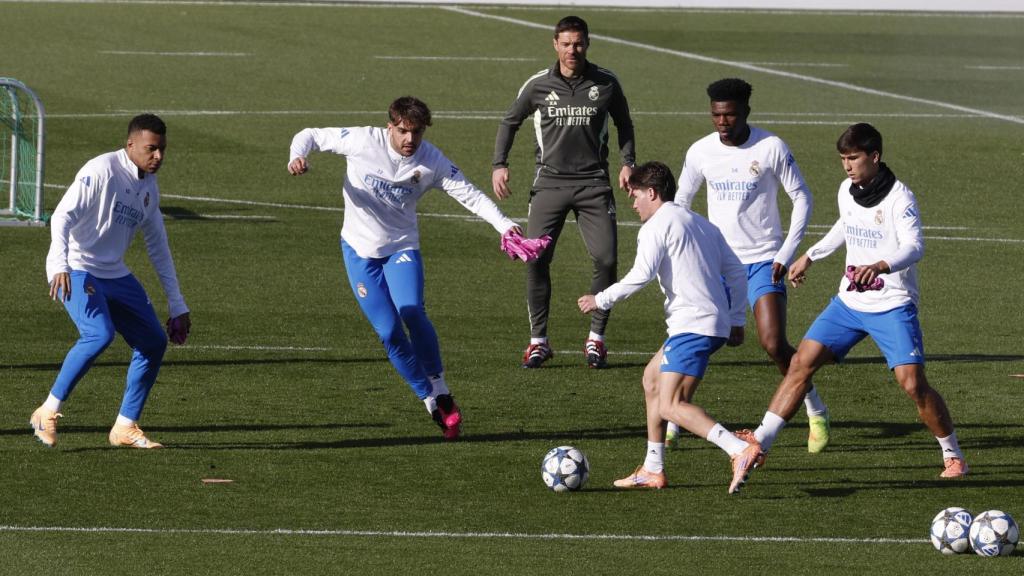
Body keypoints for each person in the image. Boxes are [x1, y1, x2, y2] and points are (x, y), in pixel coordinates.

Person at [288, 96, 529, 440]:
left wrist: (505, 225)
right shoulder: (361, 141)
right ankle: (429, 399)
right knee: (388, 331)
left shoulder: (431, 161)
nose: (409, 140)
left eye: (416, 132)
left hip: (401, 248)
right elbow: (309, 134)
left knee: (413, 311)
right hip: (359, 251)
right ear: (390, 126)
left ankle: (441, 388)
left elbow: (471, 195)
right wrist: (297, 156)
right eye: (402, 131)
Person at [740, 123, 968, 483]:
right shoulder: (847, 190)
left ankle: (953, 454)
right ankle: (760, 441)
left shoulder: (900, 198)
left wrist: (879, 265)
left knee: (912, 384)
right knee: (802, 362)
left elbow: (914, 246)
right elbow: (844, 226)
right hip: (849, 303)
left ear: (874, 157)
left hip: (892, 303)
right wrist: (810, 256)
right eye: (843, 159)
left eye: (853, 158)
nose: (846, 166)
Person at [577, 161, 762, 494]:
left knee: (670, 404)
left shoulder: (656, 226)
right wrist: (736, 319)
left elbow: (641, 275)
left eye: (635, 194)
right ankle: (653, 468)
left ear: (652, 192)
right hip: (711, 324)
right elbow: (736, 271)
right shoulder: (703, 224)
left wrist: (600, 299)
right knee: (651, 380)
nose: (632, 202)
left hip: (691, 324)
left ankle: (738, 448)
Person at [667, 78, 831, 453]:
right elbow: (681, 202)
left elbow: (802, 198)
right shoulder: (700, 152)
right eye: (716, 115)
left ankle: (815, 408)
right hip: (719, 263)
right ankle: (677, 412)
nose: (722, 122)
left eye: (730, 115)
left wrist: (784, 254)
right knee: (698, 341)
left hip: (763, 261)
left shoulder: (771, 147)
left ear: (745, 113)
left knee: (773, 343)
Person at [32, 113, 191, 449]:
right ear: (130, 144)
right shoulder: (102, 170)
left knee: (152, 342)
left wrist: (177, 304)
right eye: (151, 149)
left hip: (113, 272)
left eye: (162, 149)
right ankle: (46, 412)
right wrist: (59, 263)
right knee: (98, 334)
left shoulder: (149, 186)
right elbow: (61, 216)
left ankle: (124, 427)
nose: (158, 156)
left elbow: (159, 248)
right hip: (75, 266)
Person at [493, 15, 636, 369]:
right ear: (555, 44)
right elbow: (510, 121)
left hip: (594, 184)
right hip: (549, 183)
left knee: (606, 259)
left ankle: (596, 339)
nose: (573, 50)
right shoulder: (538, 85)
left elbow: (625, 122)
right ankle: (538, 341)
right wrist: (500, 163)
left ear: (587, 44)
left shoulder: (606, 83)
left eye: (579, 43)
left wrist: (627, 162)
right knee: (536, 259)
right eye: (567, 43)